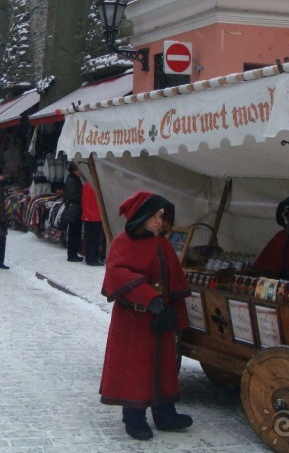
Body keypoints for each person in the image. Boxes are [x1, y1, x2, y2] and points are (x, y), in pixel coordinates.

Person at [100, 190, 193, 441]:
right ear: (141, 217)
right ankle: (134, 418)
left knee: (164, 366)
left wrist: (174, 312)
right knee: (135, 367)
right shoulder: (123, 242)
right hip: (134, 321)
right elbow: (116, 273)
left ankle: (165, 414)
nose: (159, 222)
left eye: (161, 216)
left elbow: (174, 279)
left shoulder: (162, 243)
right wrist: (148, 296)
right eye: (154, 216)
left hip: (160, 319)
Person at [63, 161, 84, 262]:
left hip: (74, 208)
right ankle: (72, 254)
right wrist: (82, 198)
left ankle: (73, 253)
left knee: (74, 231)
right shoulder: (73, 179)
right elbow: (71, 195)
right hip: (74, 209)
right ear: (76, 169)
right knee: (74, 232)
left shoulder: (72, 179)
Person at [82, 181, 104, 265]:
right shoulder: (97, 185)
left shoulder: (86, 185)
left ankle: (88, 258)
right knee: (95, 239)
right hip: (96, 215)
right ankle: (93, 259)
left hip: (87, 215)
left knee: (89, 238)